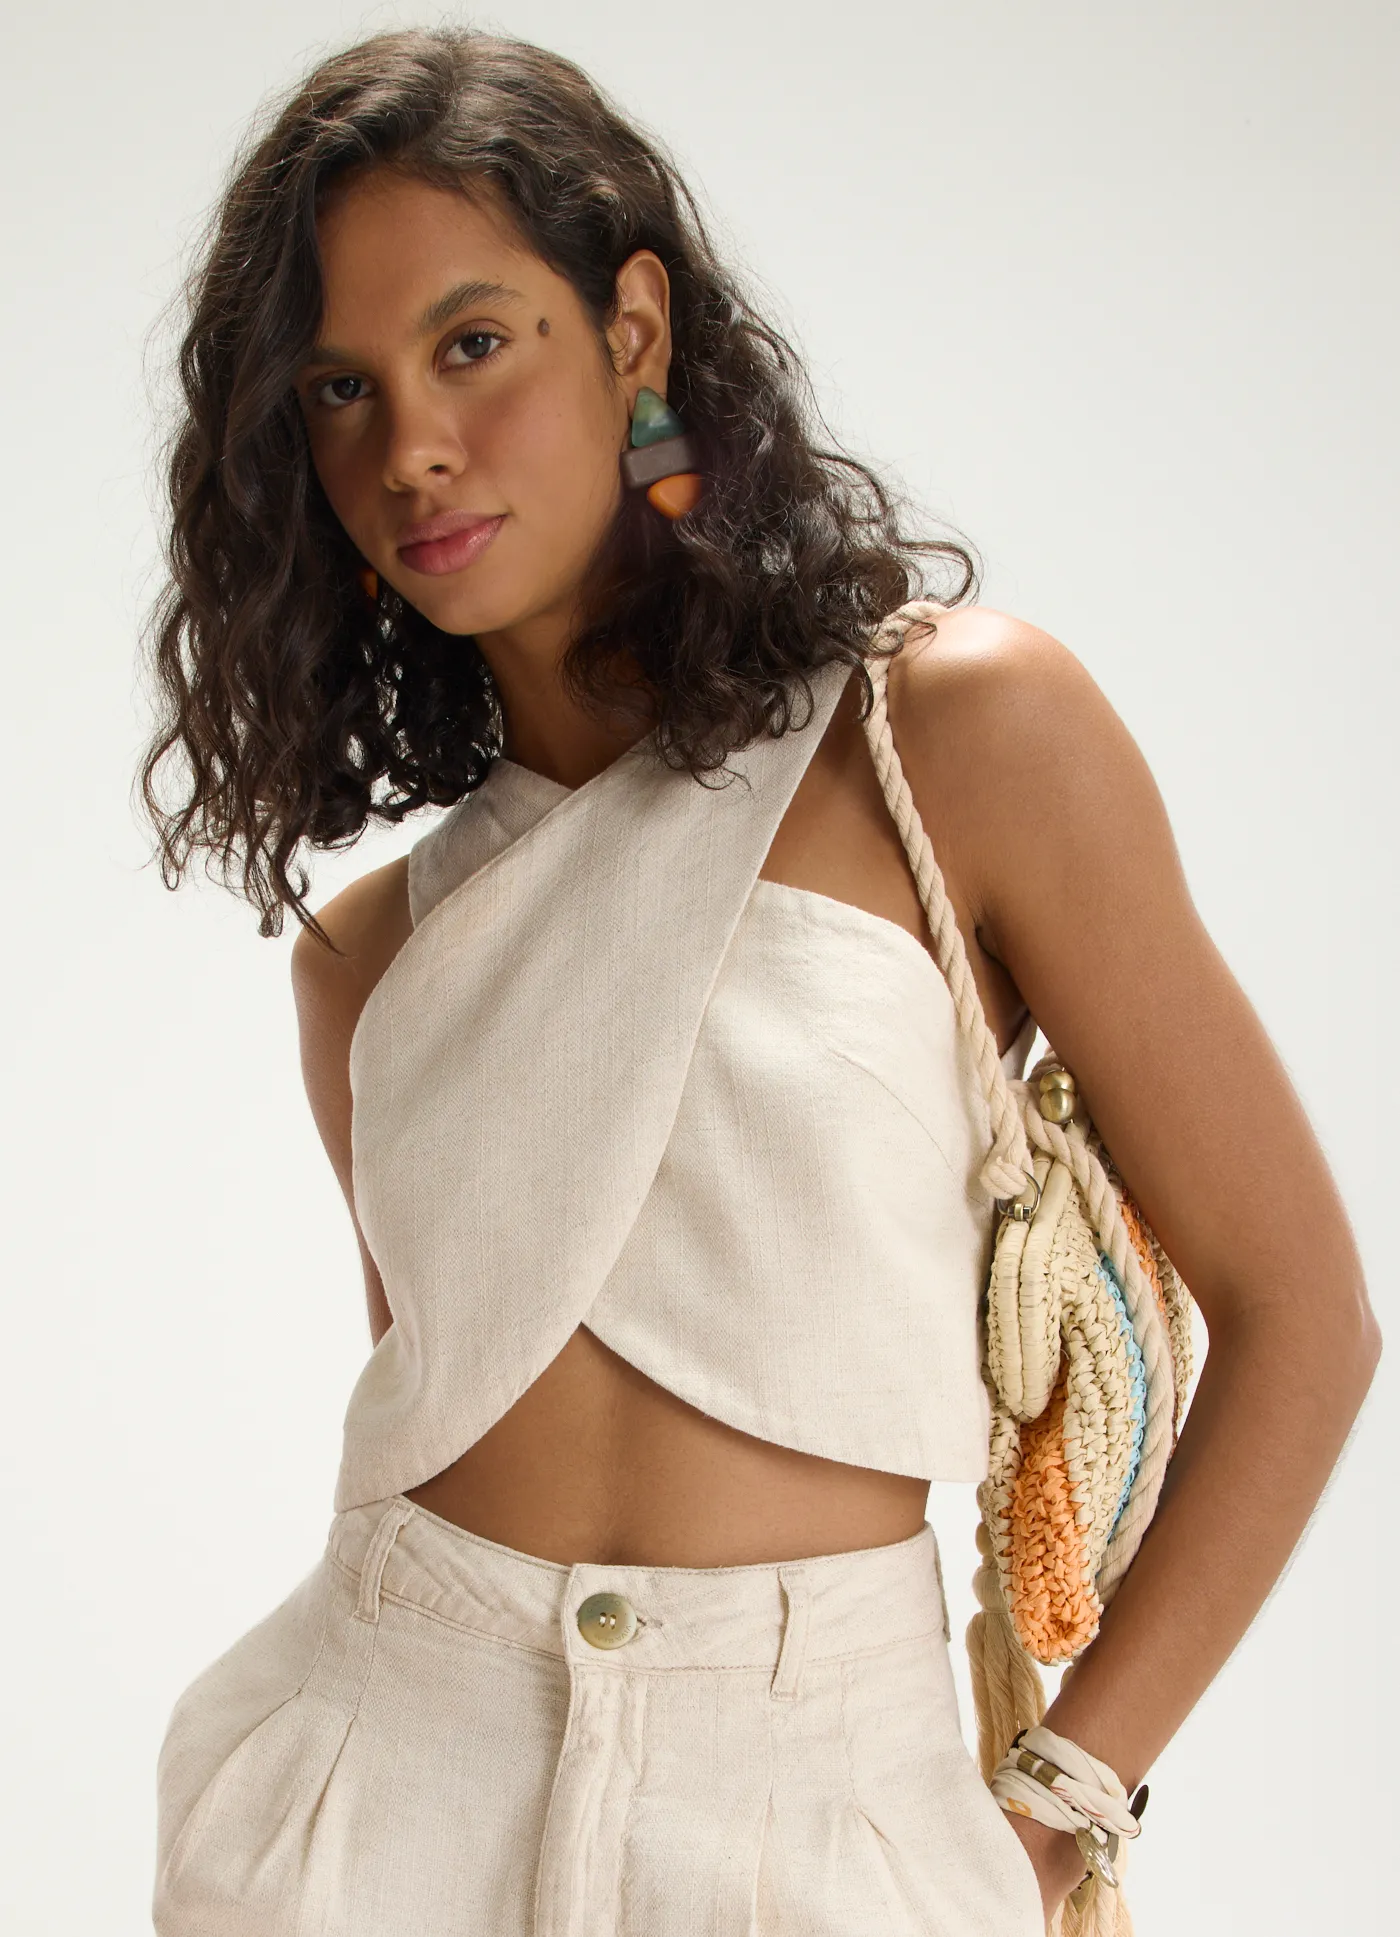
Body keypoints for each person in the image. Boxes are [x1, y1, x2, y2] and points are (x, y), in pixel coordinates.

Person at [136, 24, 1381, 1937]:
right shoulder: (365, 956)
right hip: (376, 1778)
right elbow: (450, 1396)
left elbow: (1305, 1315)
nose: (413, 448)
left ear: (631, 330)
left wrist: (1066, 1797)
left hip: (820, 1804)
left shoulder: (948, 737)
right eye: (340, 388)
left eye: (475, 343)